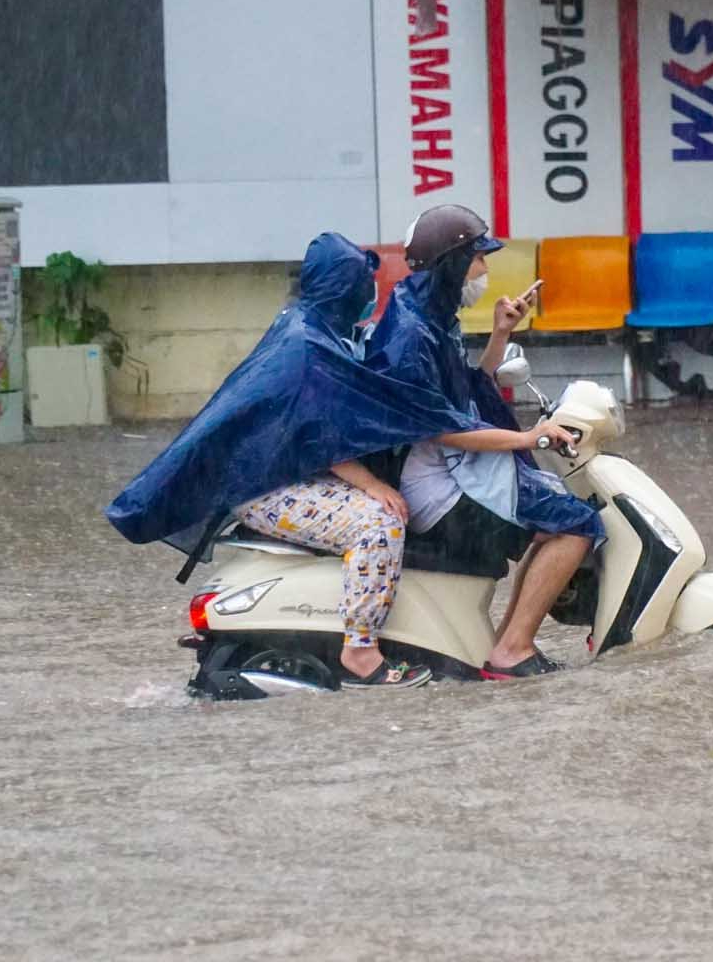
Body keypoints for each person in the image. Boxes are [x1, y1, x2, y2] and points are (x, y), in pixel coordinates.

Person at [106, 232, 482, 689]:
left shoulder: (311, 328)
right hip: (265, 486)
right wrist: (372, 486)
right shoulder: (308, 347)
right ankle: (360, 650)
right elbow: (319, 433)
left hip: (273, 474)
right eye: (362, 285)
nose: (369, 295)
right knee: (378, 522)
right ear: (343, 288)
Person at [367, 204, 606, 681]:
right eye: (478, 258)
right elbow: (439, 426)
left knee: (560, 511)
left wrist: (500, 334)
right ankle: (512, 650)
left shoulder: (431, 314)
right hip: (439, 485)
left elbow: (466, 390)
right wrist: (529, 435)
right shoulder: (411, 334)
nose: (485, 269)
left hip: (454, 467)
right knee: (577, 525)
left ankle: (510, 641)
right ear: (454, 262)